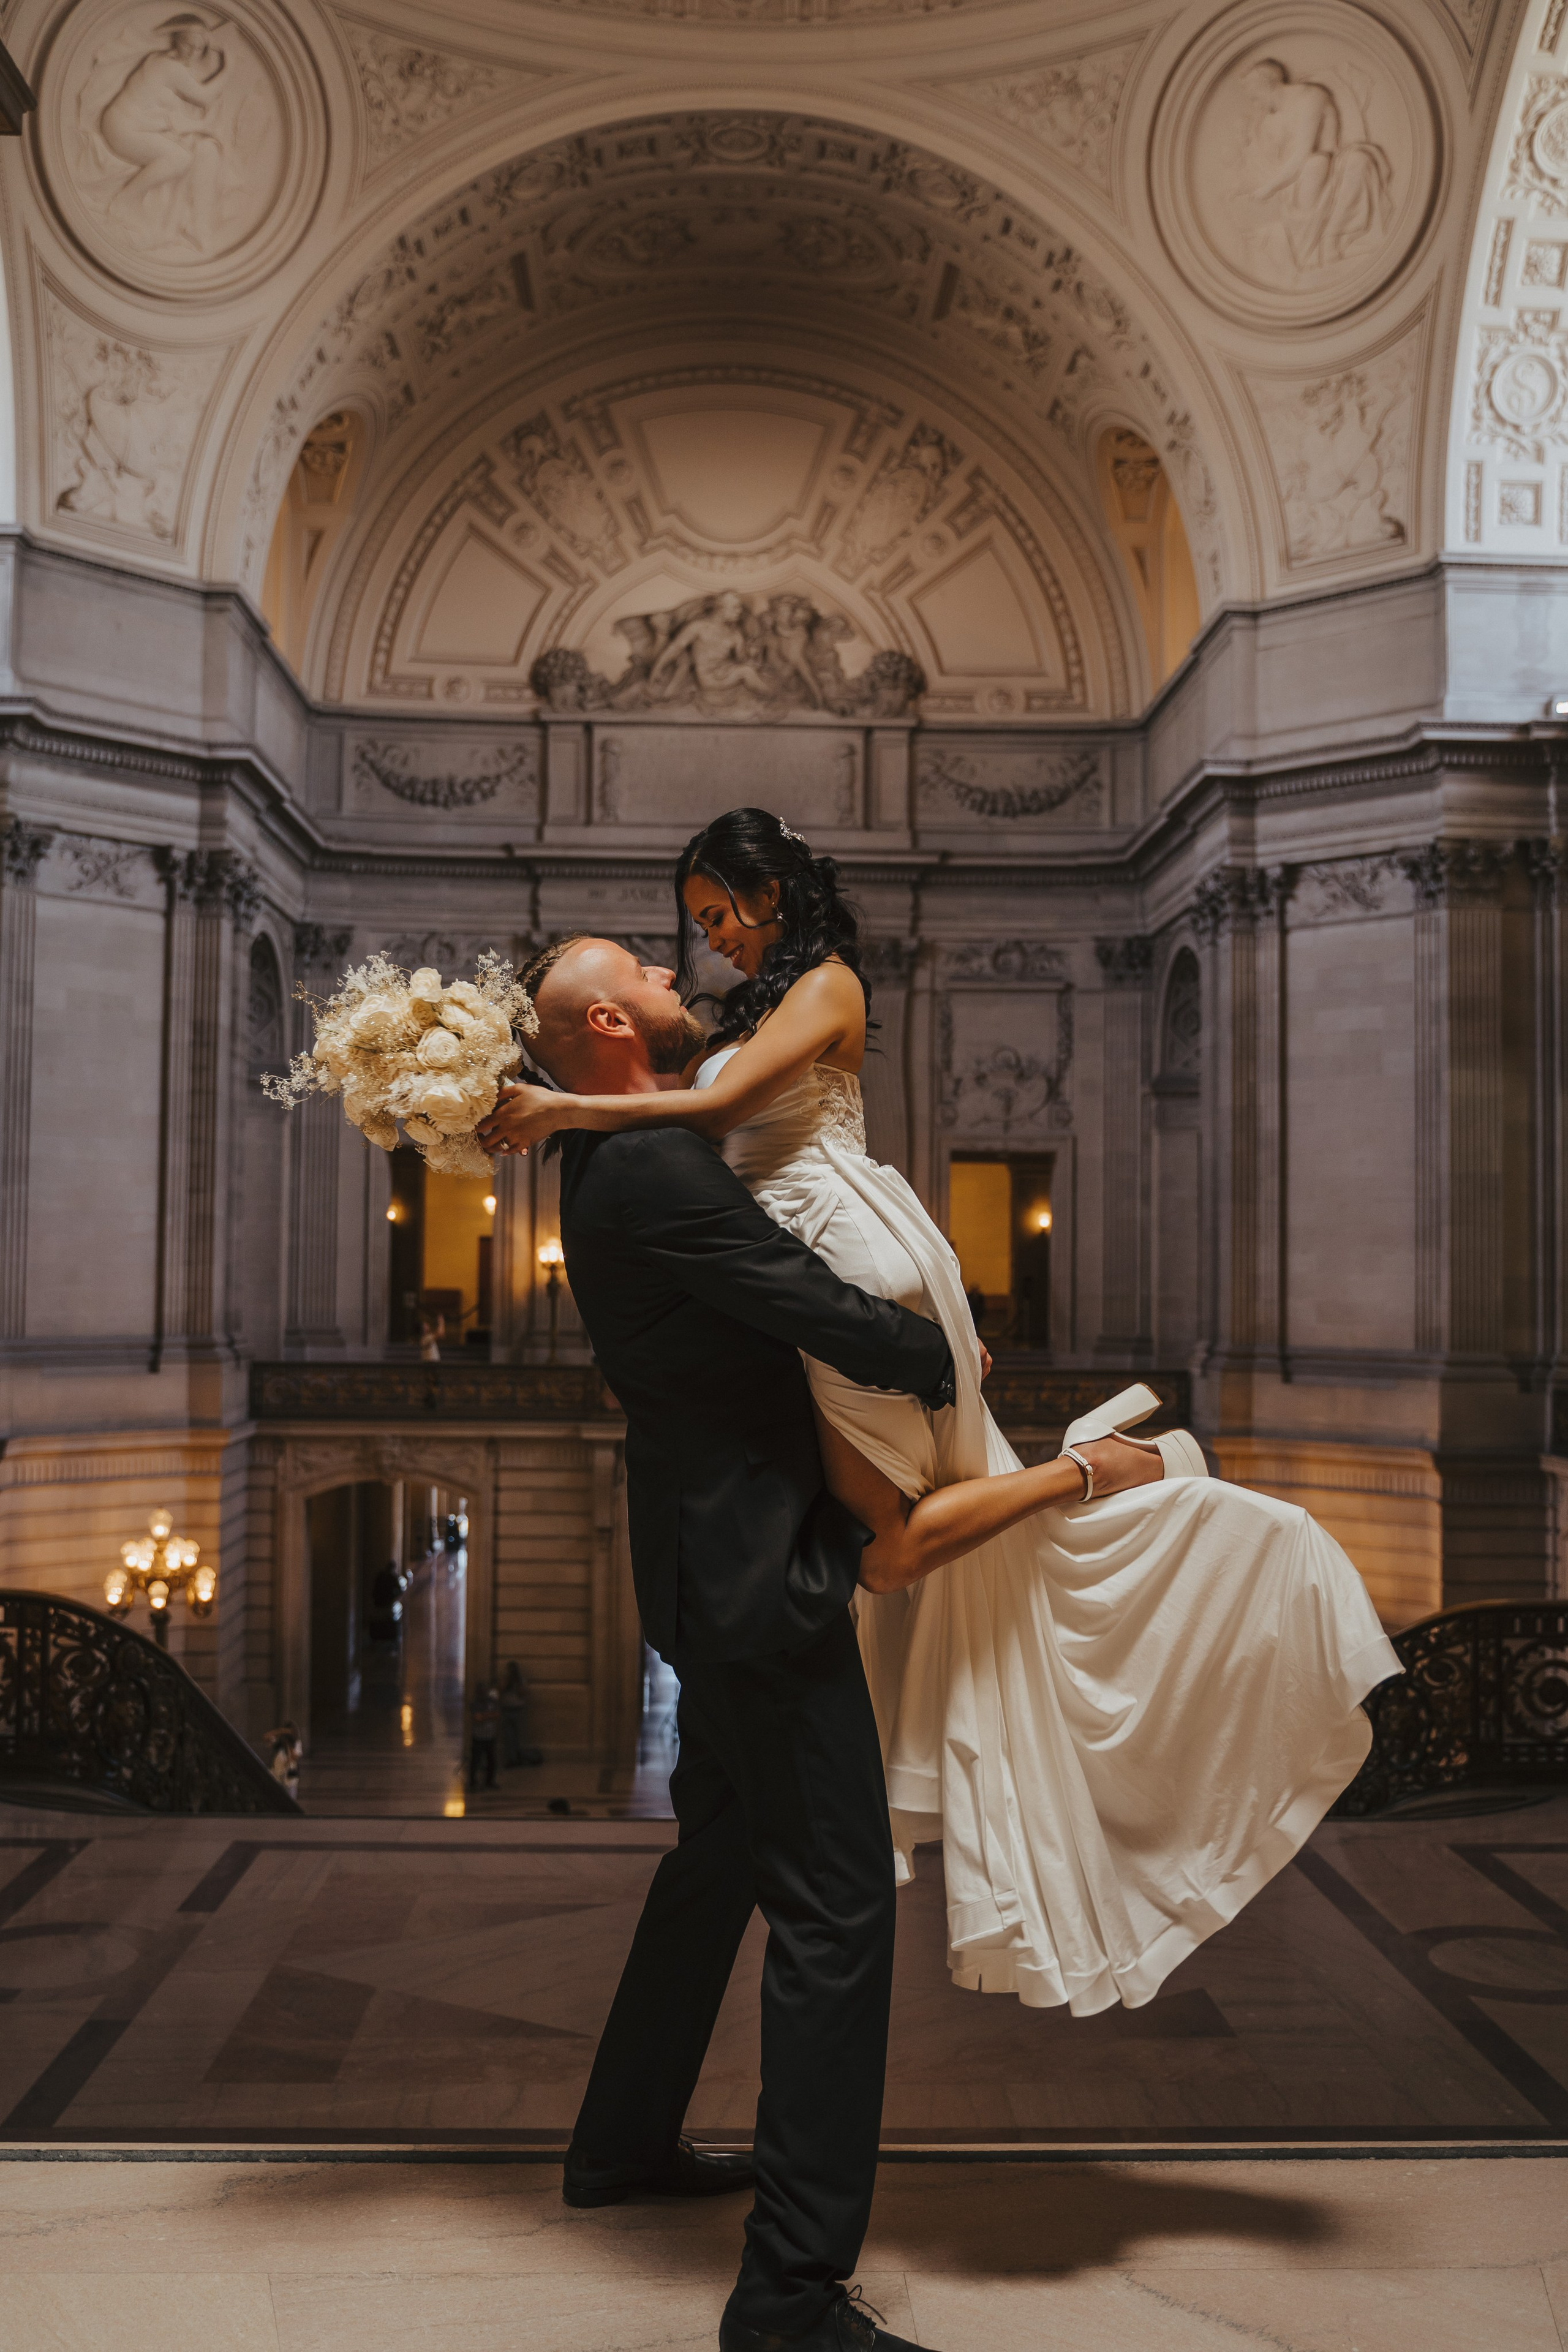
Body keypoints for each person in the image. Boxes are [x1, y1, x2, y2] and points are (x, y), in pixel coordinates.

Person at [479, 805, 1400, 2026]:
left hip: (848, 1266)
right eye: (690, 927)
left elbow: (713, 1113)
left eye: (714, 916)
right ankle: (1097, 1477)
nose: (701, 947)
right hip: (821, 1271)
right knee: (888, 1557)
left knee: (892, 1548)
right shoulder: (743, 1020)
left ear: (768, 892)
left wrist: (561, 1111)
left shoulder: (826, 983)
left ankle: (1098, 1481)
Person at [474, 930, 1166, 2352]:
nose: (677, 979)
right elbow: (808, 1309)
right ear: (607, 1025)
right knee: (837, 1911)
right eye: (648, 976)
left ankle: (618, 2144)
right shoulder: (653, 1167)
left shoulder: (599, 1160)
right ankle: (786, 2296)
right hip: (756, 1584)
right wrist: (942, 1351)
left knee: (721, 1857)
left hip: (701, 1564)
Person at [500, 1658, 542, 1768]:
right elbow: (501, 1689)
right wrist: (508, 1682)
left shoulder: (520, 1681)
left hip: (517, 1710)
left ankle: (516, 1758)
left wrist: (516, 1683)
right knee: (509, 1737)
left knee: (516, 1737)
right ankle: (512, 1758)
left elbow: (523, 1693)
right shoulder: (506, 1680)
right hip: (507, 1709)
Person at [467, 1681, 500, 1791]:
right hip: (479, 1737)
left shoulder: (492, 1702)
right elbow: (478, 1718)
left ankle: (490, 1781)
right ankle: (472, 1782)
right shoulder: (475, 1703)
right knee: (476, 1761)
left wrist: (485, 1716)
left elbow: (497, 1715)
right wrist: (489, 1716)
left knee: (492, 1761)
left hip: (490, 1736)